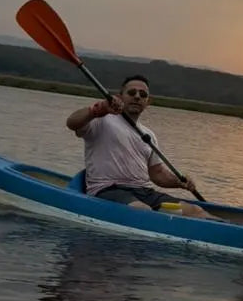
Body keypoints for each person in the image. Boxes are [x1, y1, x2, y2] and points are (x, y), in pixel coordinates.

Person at [65, 74, 205, 214]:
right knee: (142, 210)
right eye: (132, 93)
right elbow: (72, 123)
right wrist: (99, 109)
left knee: (195, 210)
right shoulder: (102, 119)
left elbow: (157, 174)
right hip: (108, 189)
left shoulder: (148, 135)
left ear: (148, 102)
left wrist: (178, 181)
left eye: (143, 94)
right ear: (120, 97)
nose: (137, 96)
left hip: (144, 192)